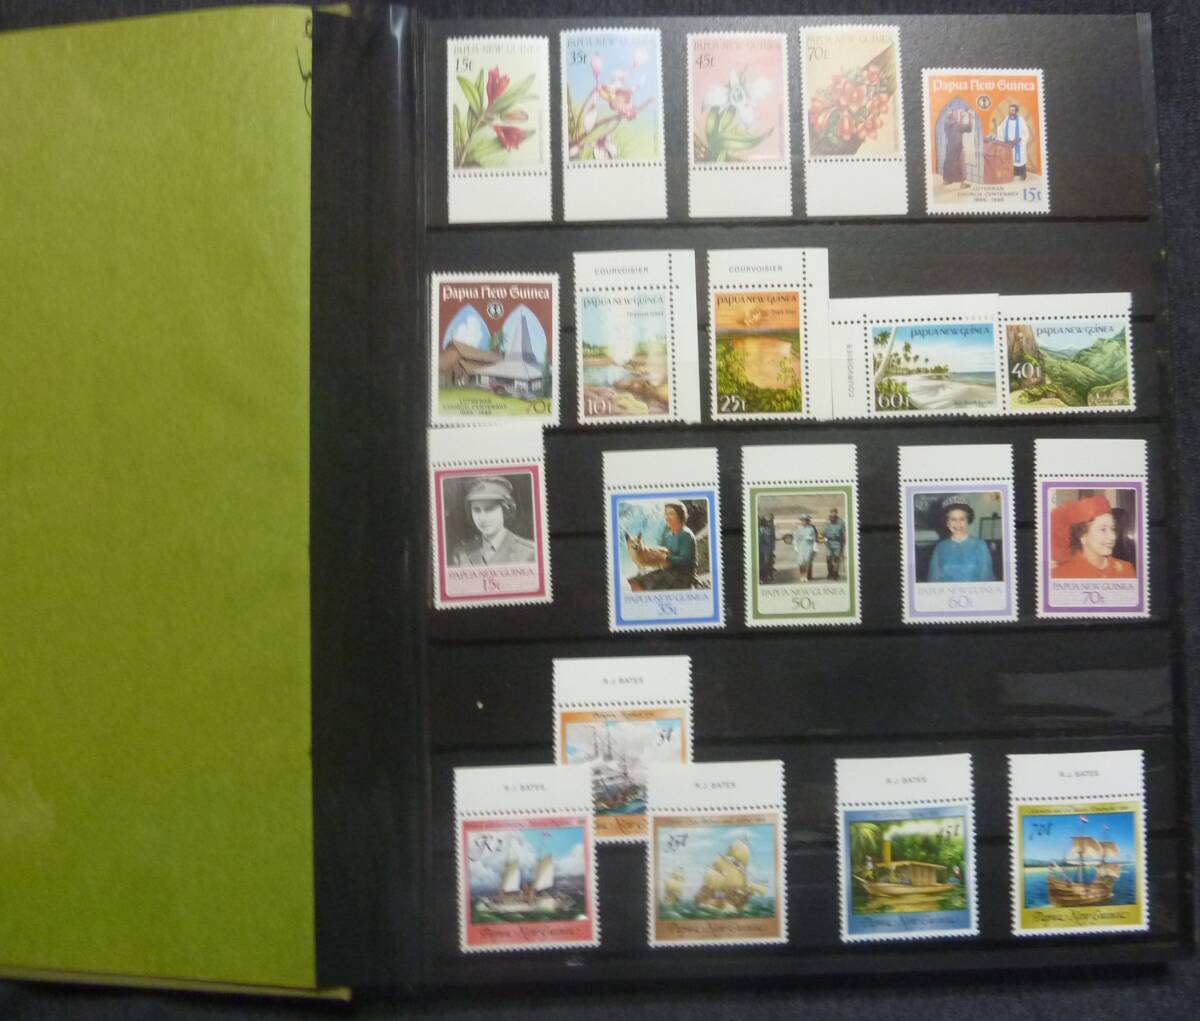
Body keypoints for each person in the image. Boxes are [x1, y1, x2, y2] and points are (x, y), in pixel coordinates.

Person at [451, 475, 536, 566]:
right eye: (476, 510)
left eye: (489, 509)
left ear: (505, 510)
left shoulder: (529, 552)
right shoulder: (462, 553)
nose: (482, 518)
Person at [1050, 493, 1136, 579]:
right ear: (1082, 536)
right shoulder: (1060, 575)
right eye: (1103, 529)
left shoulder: (1126, 569)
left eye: (1113, 528)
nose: (1113, 537)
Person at [628, 501, 697, 591]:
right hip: (670, 570)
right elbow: (665, 552)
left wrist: (665, 558)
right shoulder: (668, 535)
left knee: (639, 582)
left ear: (680, 516)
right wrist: (651, 553)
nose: (667, 517)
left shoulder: (685, 534)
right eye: (666, 514)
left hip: (683, 575)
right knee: (634, 580)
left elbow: (685, 560)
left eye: (671, 514)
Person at [927, 497, 995, 582]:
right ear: (947, 522)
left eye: (962, 519)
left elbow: (986, 579)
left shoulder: (980, 545)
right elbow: (933, 581)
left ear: (967, 521)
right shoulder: (940, 548)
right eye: (953, 519)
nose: (958, 523)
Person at [989, 102, 1035, 181]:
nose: (1011, 112)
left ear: (1016, 111)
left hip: (1018, 145)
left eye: (1013, 110)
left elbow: (1025, 132)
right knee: (1010, 160)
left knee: (1019, 160)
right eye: (1010, 110)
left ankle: (1022, 174)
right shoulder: (1006, 118)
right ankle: (1013, 173)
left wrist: (1019, 139)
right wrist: (996, 124)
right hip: (1008, 144)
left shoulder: (1021, 120)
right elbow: (1001, 129)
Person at [941, 105, 974, 188]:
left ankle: (947, 180)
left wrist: (961, 118)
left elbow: (957, 127)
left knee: (949, 163)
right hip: (958, 147)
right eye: (955, 114)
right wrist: (970, 116)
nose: (957, 115)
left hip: (950, 147)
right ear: (952, 116)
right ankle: (962, 183)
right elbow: (969, 128)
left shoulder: (946, 124)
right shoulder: (957, 125)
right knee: (960, 165)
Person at [822, 507, 846, 581]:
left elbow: (843, 533)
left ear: (836, 513)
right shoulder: (827, 521)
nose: (833, 513)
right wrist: (824, 539)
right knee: (828, 559)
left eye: (834, 512)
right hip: (829, 542)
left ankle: (835, 573)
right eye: (832, 512)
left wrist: (843, 543)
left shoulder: (841, 522)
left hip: (838, 542)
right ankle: (830, 573)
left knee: (836, 558)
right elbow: (823, 532)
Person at [793, 514, 817, 582]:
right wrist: (795, 546)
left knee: (807, 562)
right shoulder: (799, 528)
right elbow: (795, 537)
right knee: (801, 562)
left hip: (808, 546)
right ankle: (801, 575)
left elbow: (814, 538)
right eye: (802, 520)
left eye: (805, 520)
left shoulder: (811, 528)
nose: (804, 522)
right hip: (800, 546)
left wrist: (810, 538)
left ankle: (805, 576)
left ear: (807, 521)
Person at [758, 513, 776, 583]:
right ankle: (765, 576)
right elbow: (768, 539)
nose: (769, 522)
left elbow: (770, 539)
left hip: (765, 549)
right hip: (764, 549)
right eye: (768, 521)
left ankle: (767, 576)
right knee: (765, 563)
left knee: (766, 562)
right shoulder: (764, 529)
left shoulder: (767, 529)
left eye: (770, 520)